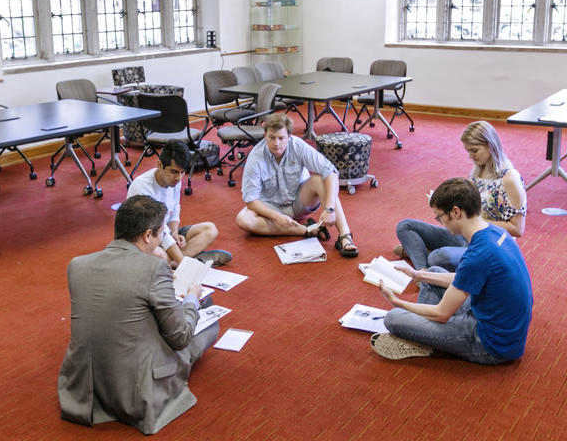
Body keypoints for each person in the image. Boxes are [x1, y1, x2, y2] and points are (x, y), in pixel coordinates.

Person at [58, 195, 219, 434]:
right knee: (208, 321)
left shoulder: (77, 264)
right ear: (147, 235)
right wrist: (192, 298)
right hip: (136, 389)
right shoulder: (155, 267)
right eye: (161, 234)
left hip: (83, 385)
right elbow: (180, 337)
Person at [372, 177, 533, 364]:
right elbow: (465, 277)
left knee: (393, 318)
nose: (440, 223)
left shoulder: (478, 255)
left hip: (490, 344)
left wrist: (397, 302)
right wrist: (419, 275)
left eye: (439, 217)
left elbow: (442, 313)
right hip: (504, 329)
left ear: (456, 212)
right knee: (433, 273)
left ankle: (420, 336)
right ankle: (421, 331)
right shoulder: (495, 232)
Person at [395, 120, 526, 271]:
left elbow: (517, 229)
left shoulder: (509, 179)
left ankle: (421, 261)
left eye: (474, 150)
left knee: (438, 257)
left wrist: (473, 220)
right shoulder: (479, 171)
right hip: (466, 235)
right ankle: (423, 270)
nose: (470, 156)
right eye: (468, 151)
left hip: (489, 245)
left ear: (490, 146)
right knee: (405, 226)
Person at [236, 113, 358, 257]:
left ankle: (345, 236)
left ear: (289, 136)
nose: (276, 143)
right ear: (265, 135)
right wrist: (275, 216)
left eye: (281, 138)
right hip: (271, 207)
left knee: (319, 180)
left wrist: (330, 208)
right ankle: (305, 230)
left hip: (299, 201)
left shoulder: (298, 145)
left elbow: (331, 172)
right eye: (272, 138)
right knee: (243, 219)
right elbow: (250, 200)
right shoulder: (256, 157)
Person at [127, 140, 231, 266]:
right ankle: (186, 260)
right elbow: (159, 229)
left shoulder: (174, 180)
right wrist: (183, 264)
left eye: (183, 172)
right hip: (145, 238)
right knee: (160, 256)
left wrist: (175, 232)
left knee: (210, 229)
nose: (179, 178)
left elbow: (174, 208)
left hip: (164, 233)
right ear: (160, 165)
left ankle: (176, 262)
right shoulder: (142, 187)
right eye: (174, 172)